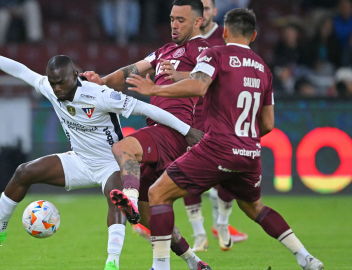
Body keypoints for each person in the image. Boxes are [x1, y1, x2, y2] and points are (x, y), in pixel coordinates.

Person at [0, 29, 203, 270]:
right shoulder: (50, 88)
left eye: (62, 82)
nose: (57, 89)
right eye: (53, 84)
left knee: (123, 205)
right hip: (79, 161)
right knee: (24, 172)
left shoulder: (100, 95)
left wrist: (186, 130)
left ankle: (112, 263)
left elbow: (148, 109)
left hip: (111, 163)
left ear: (75, 75)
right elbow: (21, 70)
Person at [127, 8, 324, 270]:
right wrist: (244, 140)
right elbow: (268, 124)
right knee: (255, 209)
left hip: (217, 147)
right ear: (253, 35)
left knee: (157, 193)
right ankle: (306, 257)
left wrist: (155, 88)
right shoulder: (264, 69)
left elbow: (198, 85)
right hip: (250, 151)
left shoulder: (215, 54)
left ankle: (160, 266)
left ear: (225, 32)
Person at [81, 1, 212, 269]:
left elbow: (202, 83)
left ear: (198, 22)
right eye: (172, 19)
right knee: (152, 211)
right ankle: (194, 261)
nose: (174, 25)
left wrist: (174, 77)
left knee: (121, 149)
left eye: (181, 20)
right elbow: (132, 70)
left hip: (174, 129)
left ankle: (128, 199)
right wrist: (102, 82)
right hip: (158, 129)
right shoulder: (165, 50)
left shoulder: (204, 50)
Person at [181, 0, 248, 253]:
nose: (203, 14)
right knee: (188, 173)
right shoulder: (184, 39)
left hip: (223, 112)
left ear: (213, 13)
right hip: (193, 112)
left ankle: (222, 223)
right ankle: (198, 233)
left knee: (227, 172)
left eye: (207, 9)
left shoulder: (226, 37)